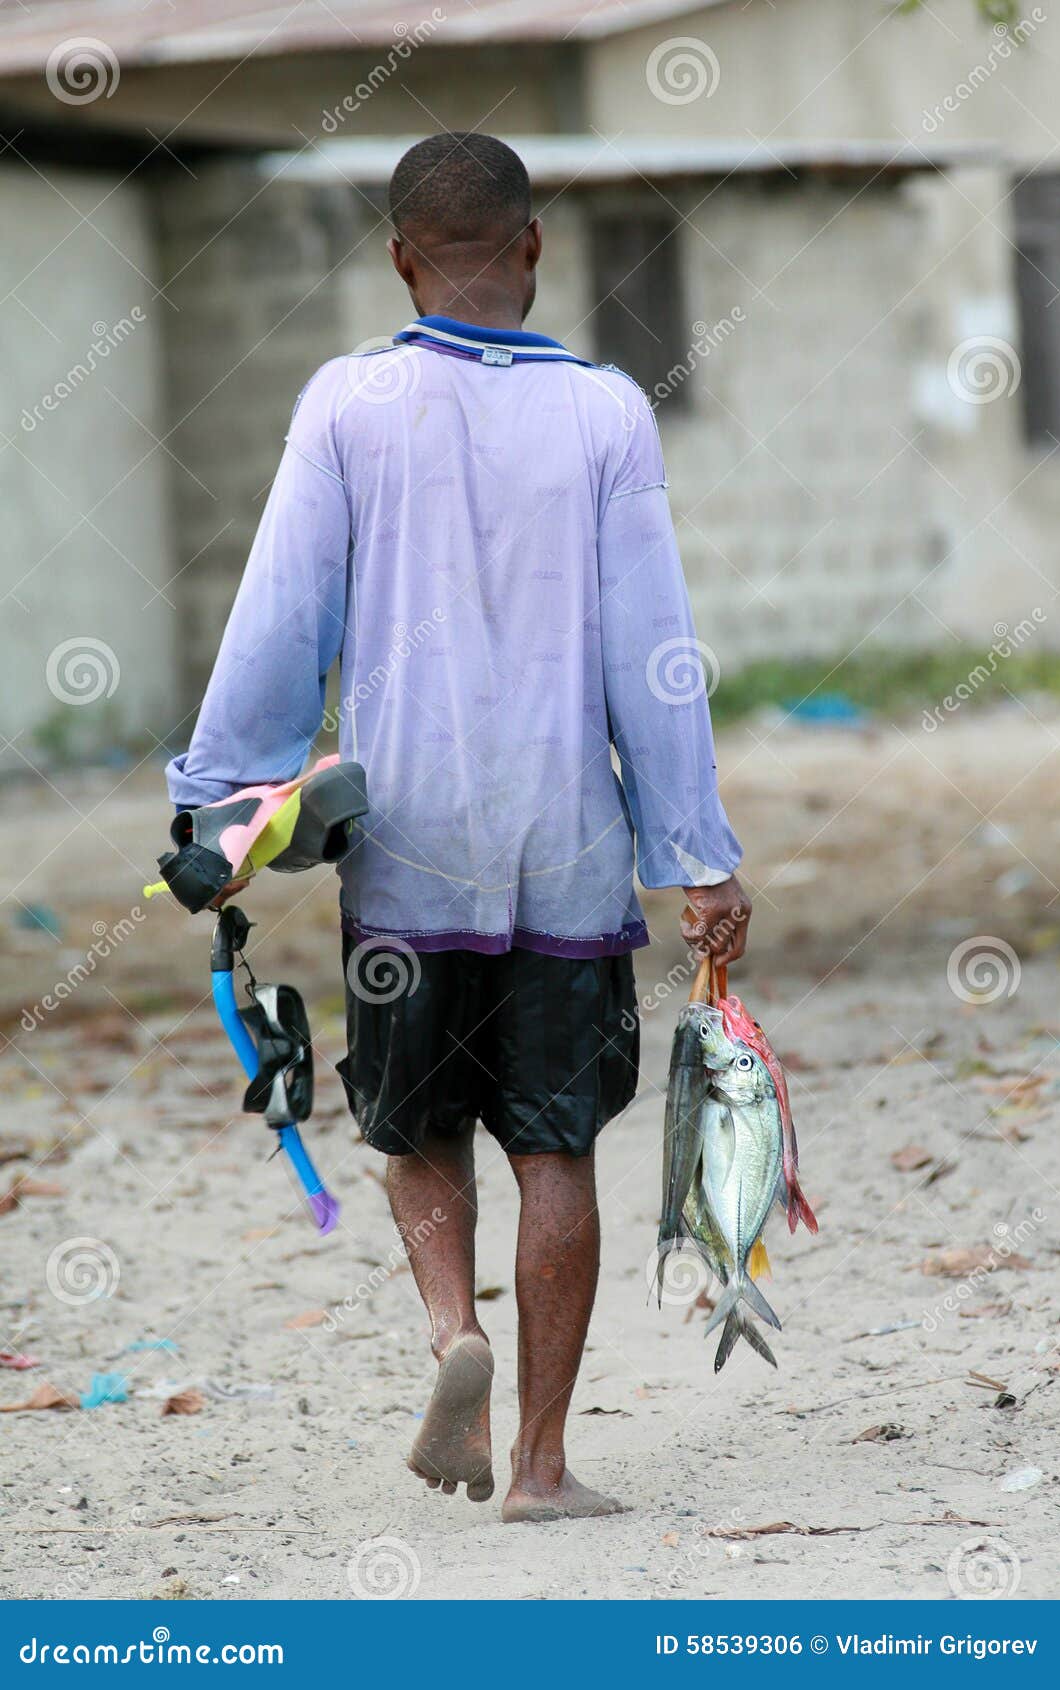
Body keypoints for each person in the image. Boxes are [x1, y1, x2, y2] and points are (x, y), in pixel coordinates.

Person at [167, 132, 750, 1523]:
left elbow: (279, 617)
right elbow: (652, 652)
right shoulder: (608, 414)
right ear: (536, 248)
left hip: (409, 848)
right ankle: (542, 1464)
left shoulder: (351, 404)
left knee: (418, 1129)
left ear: (400, 259)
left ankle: (453, 1338)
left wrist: (220, 800)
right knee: (558, 1147)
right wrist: (699, 853)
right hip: (568, 846)